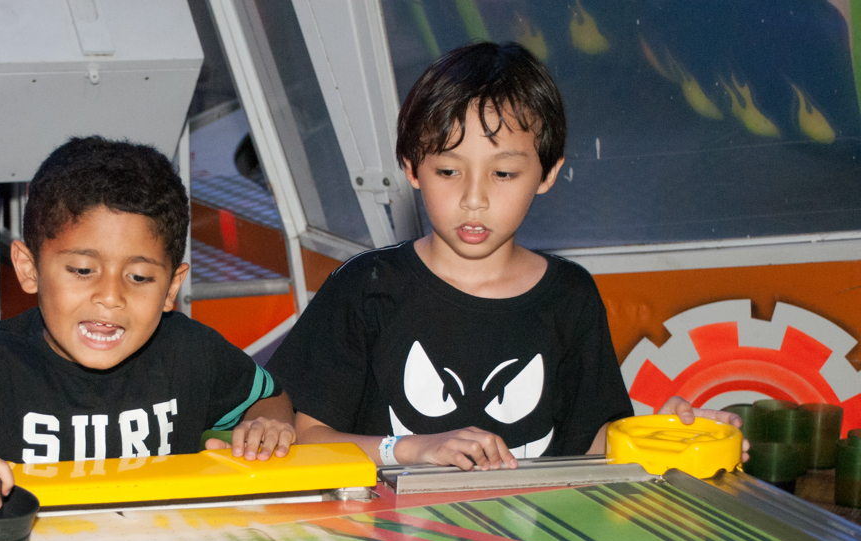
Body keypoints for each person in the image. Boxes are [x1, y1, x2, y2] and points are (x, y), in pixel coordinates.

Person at [267, 42, 740, 470]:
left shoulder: (570, 296)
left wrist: (671, 433)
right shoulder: (366, 287)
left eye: (505, 174)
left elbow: (592, 445)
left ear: (548, 173)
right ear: (411, 167)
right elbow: (307, 439)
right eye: (449, 170)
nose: (475, 198)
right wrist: (413, 448)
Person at [0, 137, 296, 509]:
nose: (110, 296)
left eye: (141, 276)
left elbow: (270, 398)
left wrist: (267, 425)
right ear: (28, 268)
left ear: (171, 288)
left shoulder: (195, 354)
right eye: (82, 270)